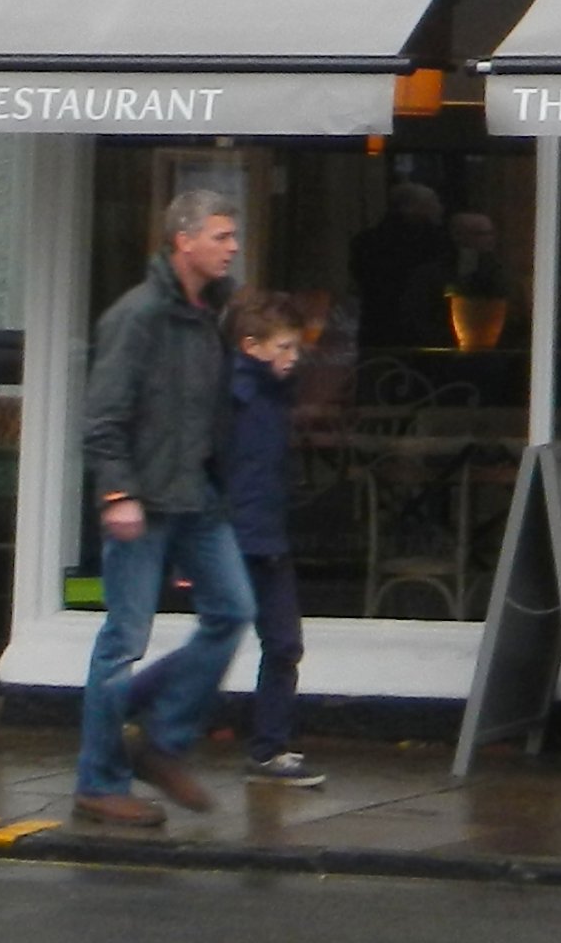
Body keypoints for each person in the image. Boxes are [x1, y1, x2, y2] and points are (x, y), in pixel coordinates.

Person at [75, 184, 256, 830]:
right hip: (144, 500)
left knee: (233, 611)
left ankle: (162, 740)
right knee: (123, 641)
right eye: (221, 237)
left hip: (196, 496)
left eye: (233, 237)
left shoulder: (208, 315)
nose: (232, 248)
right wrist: (117, 493)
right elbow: (102, 417)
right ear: (184, 241)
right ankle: (99, 783)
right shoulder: (138, 316)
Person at [226, 294, 324, 788]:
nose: (294, 356)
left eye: (296, 347)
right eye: (284, 346)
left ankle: (269, 750)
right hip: (234, 538)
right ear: (252, 346)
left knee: (284, 644)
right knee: (215, 644)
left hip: (268, 539)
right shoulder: (232, 399)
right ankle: (158, 731)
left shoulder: (274, 396)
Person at [349, 180, 452, 351]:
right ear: (412, 207)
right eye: (432, 202)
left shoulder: (365, 240)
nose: (439, 208)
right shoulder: (434, 242)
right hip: (421, 326)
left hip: (375, 326)